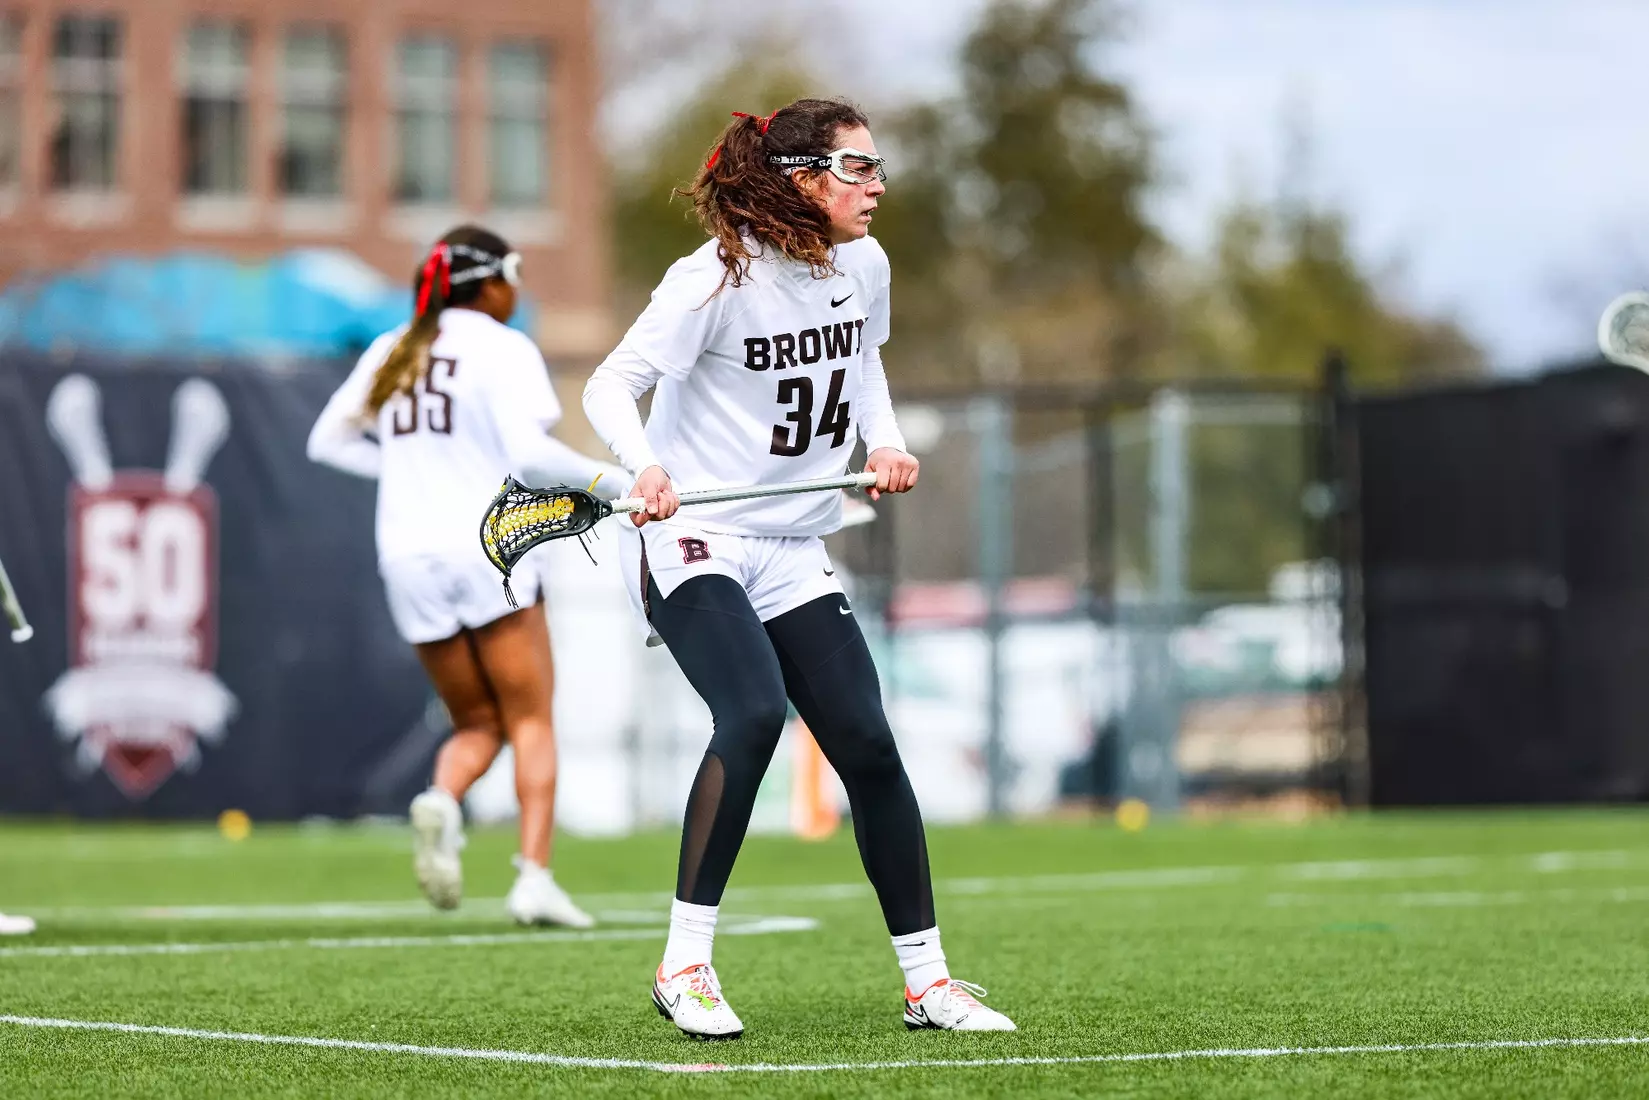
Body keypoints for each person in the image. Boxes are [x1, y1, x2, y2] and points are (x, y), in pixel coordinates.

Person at [583, 99, 1016, 1038]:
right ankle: (684, 964)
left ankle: (927, 982)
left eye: (877, 166)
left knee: (865, 741)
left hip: (790, 543)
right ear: (799, 177)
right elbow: (608, 384)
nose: (877, 186)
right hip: (695, 536)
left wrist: (887, 442)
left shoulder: (864, 263)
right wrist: (644, 469)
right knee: (749, 712)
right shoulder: (714, 277)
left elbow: (864, 367)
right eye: (858, 168)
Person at [309, 225, 623, 928]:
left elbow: (324, 441)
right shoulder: (502, 347)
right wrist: (615, 481)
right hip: (490, 548)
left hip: (407, 557)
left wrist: (398, 470)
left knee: (475, 720)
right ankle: (533, 878)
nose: (517, 289)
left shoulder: (394, 347)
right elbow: (530, 454)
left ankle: (441, 801)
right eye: (513, 272)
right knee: (531, 715)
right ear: (487, 281)